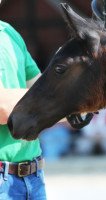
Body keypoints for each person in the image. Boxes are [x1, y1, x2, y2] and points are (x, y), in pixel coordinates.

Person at [0, 2, 46, 199]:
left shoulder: (9, 32)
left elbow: (47, 93)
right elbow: (3, 109)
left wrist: (84, 101)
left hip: (34, 177)